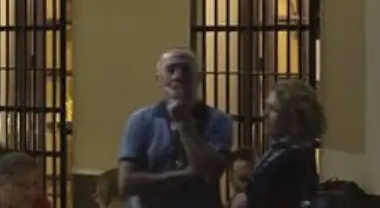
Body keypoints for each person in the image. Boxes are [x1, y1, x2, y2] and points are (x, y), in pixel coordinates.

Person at [117, 48, 232, 208]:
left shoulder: (217, 120)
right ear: (158, 78)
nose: (178, 76)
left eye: (186, 70)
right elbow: (126, 183)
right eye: (171, 70)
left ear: (198, 78)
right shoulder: (141, 120)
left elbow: (211, 173)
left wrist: (184, 122)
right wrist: (187, 174)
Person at [243, 79, 324, 208]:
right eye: (266, 107)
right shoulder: (282, 151)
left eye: (272, 109)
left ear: (293, 118)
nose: (265, 114)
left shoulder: (292, 161)